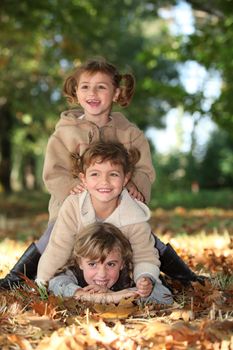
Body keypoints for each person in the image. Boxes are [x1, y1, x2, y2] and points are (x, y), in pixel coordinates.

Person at [0, 57, 202, 289]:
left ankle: (186, 278)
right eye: (85, 87)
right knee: (52, 238)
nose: (92, 93)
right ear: (76, 92)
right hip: (74, 208)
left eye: (101, 87)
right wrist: (69, 187)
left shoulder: (129, 133)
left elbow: (145, 169)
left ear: (116, 93)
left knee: (146, 239)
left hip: (117, 206)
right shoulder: (65, 133)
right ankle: (16, 278)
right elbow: (54, 171)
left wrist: (134, 185)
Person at [36, 141, 161, 288]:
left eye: (113, 174)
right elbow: (59, 248)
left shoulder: (133, 214)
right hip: (79, 273)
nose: (104, 181)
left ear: (125, 179)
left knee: (157, 292)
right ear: (84, 179)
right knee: (58, 283)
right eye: (95, 174)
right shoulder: (74, 205)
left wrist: (144, 278)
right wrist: (43, 283)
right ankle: (77, 293)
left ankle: (124, 294)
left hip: (119, 277)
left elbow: (144, 254)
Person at [48, 222, 173, 304]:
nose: (102, 274)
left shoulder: (130, 274)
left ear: (122, 263)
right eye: (92, 264)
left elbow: (165, 296)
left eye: (111, 264)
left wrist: (114, 294)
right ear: (80, 262)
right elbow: (55, 285)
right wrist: (104, 298)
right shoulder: (73, 272)